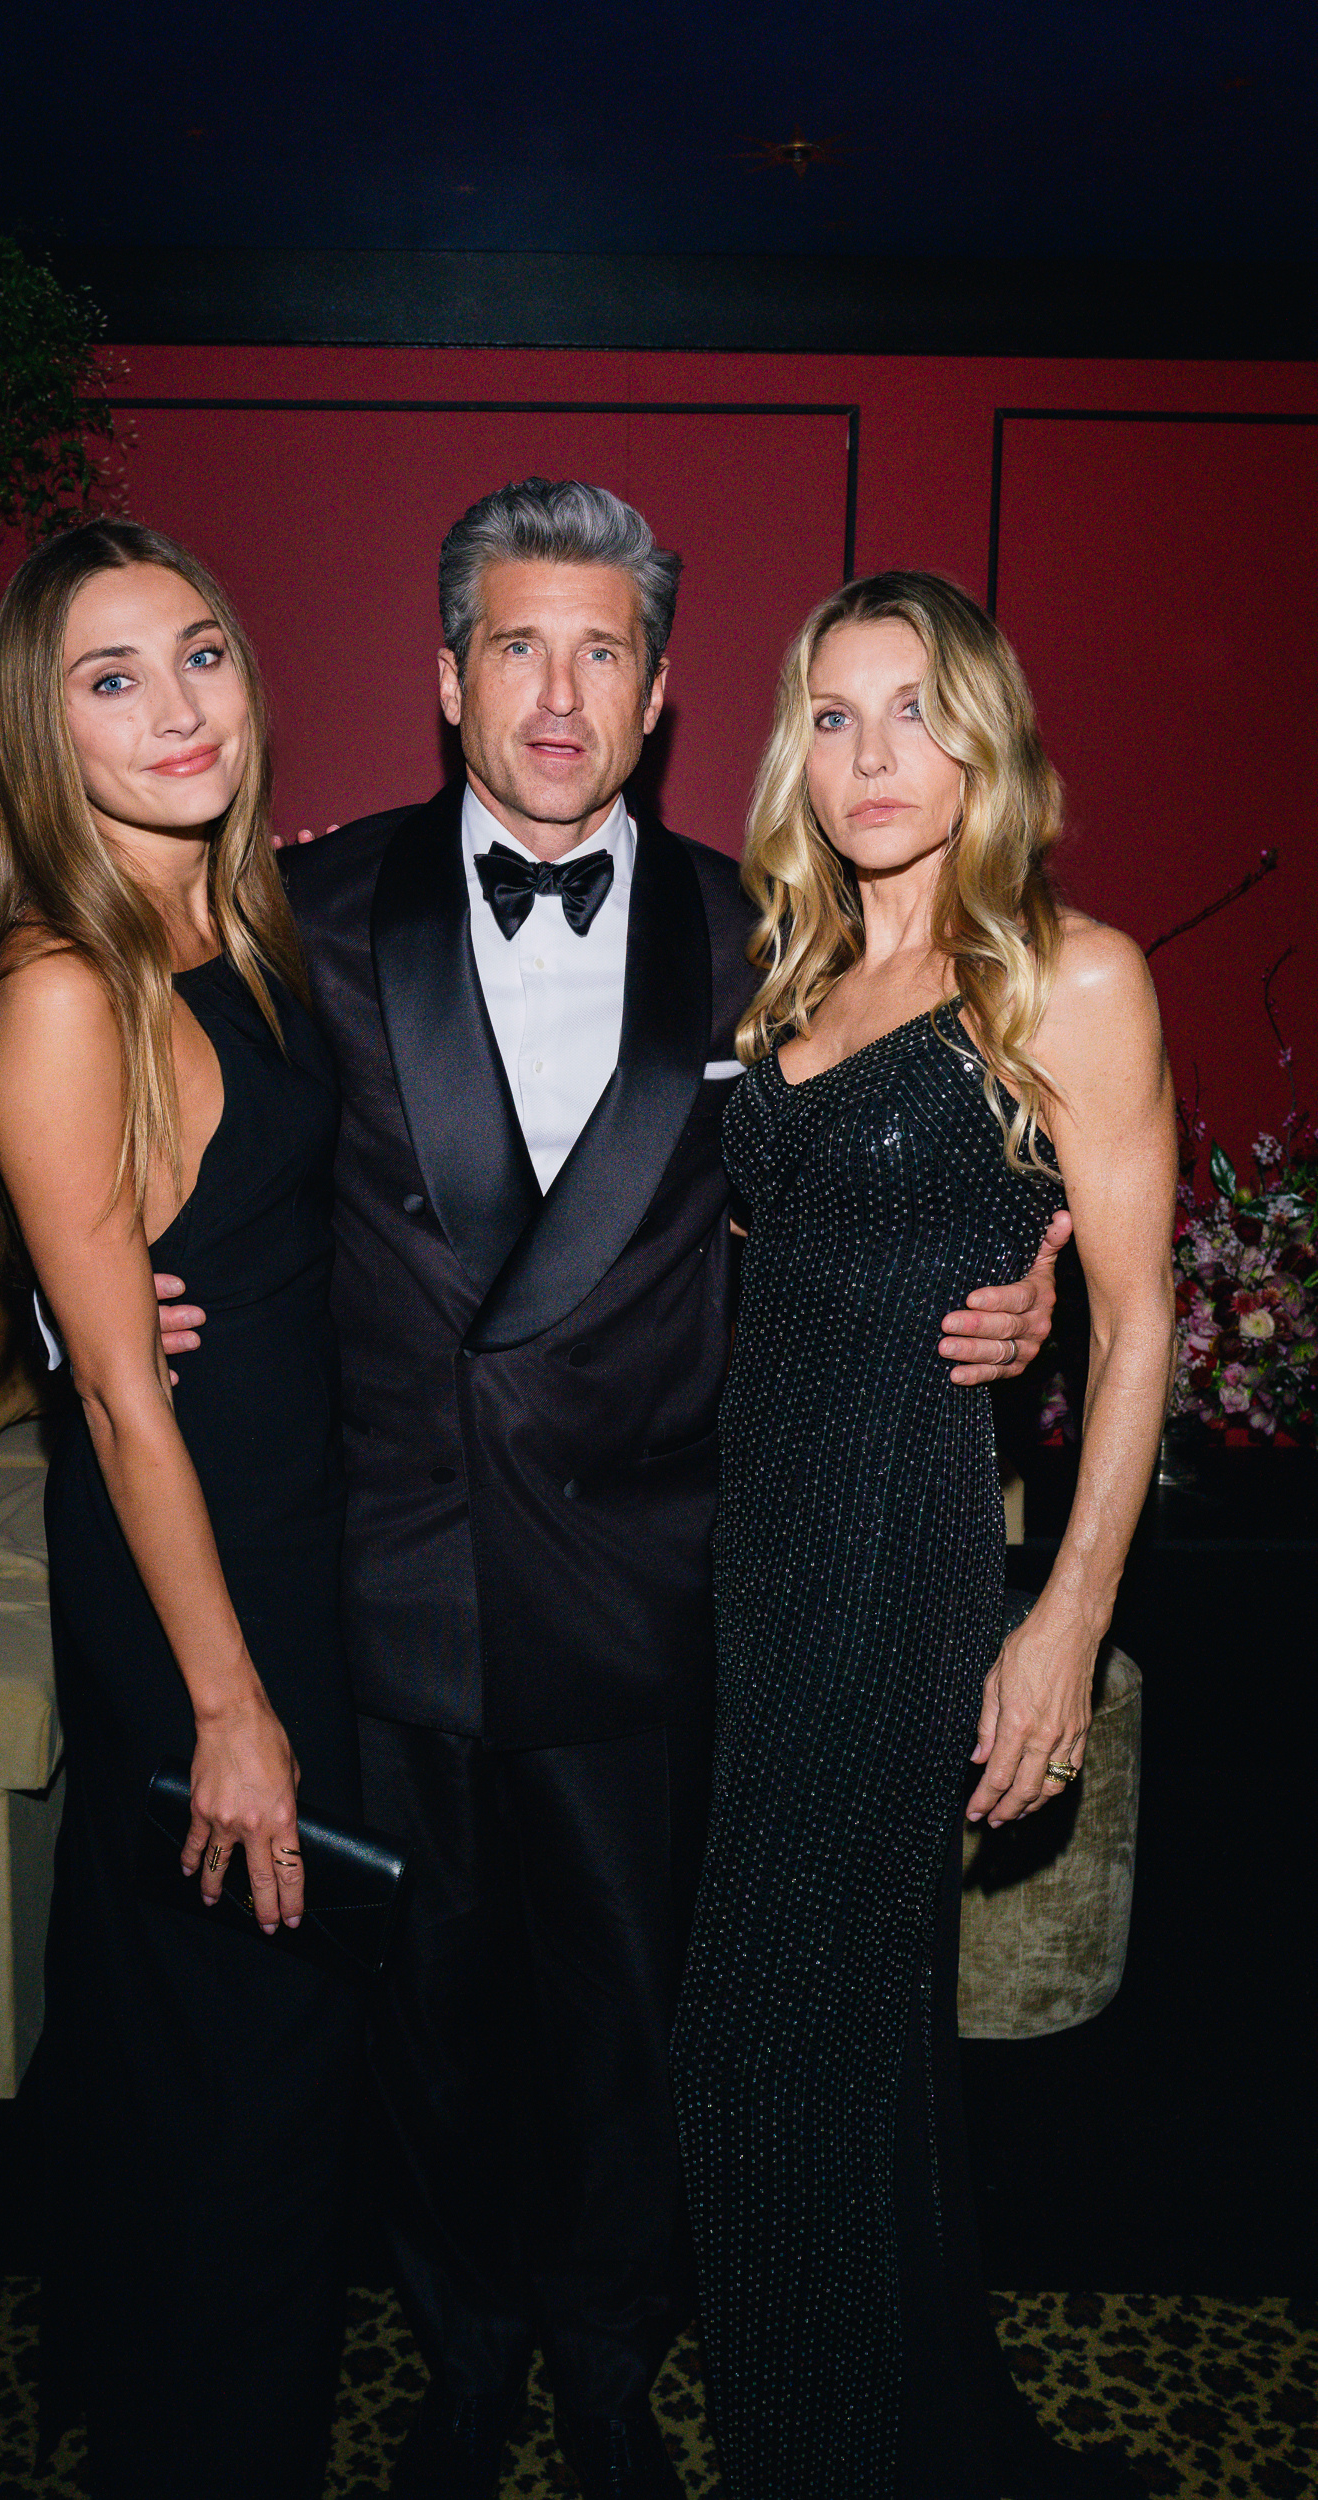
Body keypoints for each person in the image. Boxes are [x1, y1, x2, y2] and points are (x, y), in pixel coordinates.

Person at [156, 483, 1069, 2500]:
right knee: (429, 2031)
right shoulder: (304, 914)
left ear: (658, 694)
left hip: (662, 1590)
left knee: (631, 2030)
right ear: (443, 674)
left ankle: (603, 2353)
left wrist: (1037, 1296)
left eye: (601, 654)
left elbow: (946, 1147)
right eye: (514, 645)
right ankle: (466, 2355)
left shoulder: (773, 933)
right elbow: (167, 1167)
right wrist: (84, 1320)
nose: (556, 697)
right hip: (395, 1582)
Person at [671, 572, 1173, 2500]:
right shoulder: (786, 978)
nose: (873, 754)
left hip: (899, 1562)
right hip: (751, 1553)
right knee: (839, 2065)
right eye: (833, 713)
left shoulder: (1068, 974)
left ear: (986, 740)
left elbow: (1138, 1328)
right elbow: (758, 1271)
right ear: (795, 747)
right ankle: (888, 2445)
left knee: (759, 2059)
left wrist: (1061, 1624)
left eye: (914, 710)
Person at [0, 519, 362, 2500]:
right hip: (208, 1577)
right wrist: (231, 1703)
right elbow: (118, 1390)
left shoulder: (242, 916)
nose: (177, 706)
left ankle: (158, 2404)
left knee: (196, 2045)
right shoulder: (64, 985)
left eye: (199, 653)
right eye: (111, 678)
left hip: (276, 1518)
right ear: (45, 730)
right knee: (255, 2085)